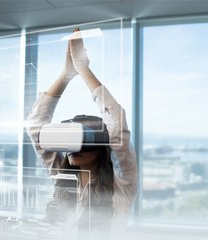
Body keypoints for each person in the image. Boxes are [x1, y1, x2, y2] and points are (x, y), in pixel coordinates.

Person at [26, 27, 137, 235]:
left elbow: (117, 125)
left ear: (101, 145)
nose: (73, 147)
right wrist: (66, 75)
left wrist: (83, 70)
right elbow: (35, 127)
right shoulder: (64, 177)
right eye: (68, 139)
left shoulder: (121, 186)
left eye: (82, 138)